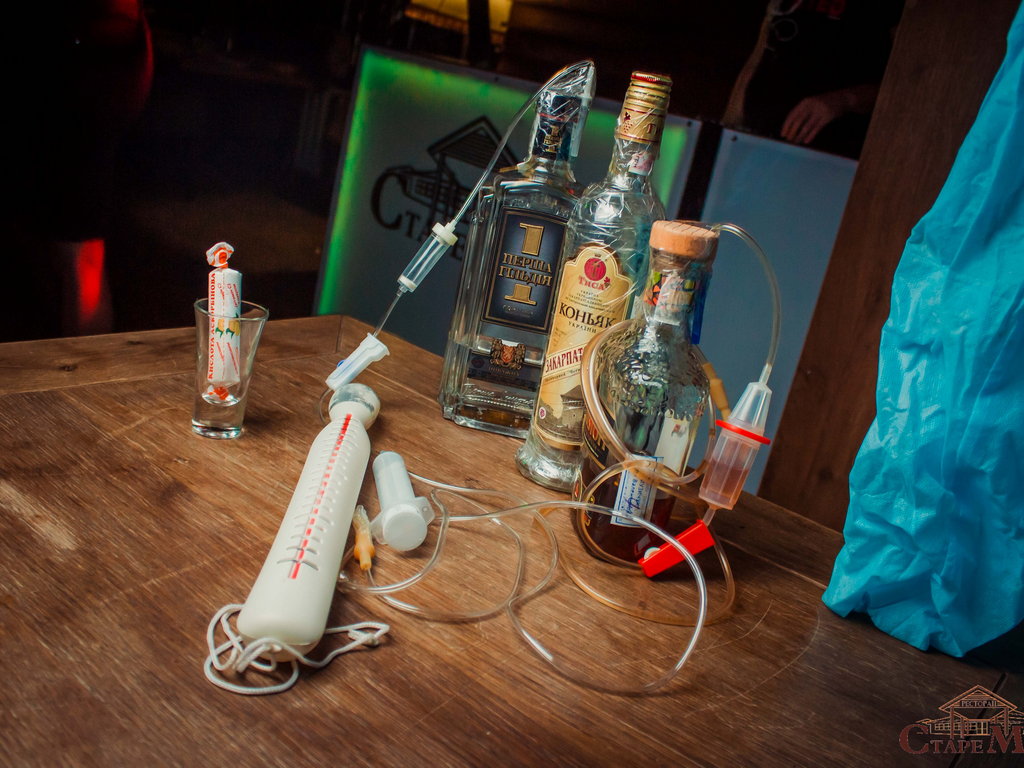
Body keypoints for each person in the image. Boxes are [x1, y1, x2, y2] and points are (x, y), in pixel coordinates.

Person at [3, 1, 153, 341]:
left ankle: (85, 365)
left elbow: (120, 27)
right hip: (57, 74)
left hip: (84, 78)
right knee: (53, 246)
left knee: (81, 251)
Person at [724, 0, 904, 159]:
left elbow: (906, 87)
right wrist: (727, 130)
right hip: (757, 140)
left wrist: (845, 100)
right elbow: (756, 61)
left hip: (828, 152)